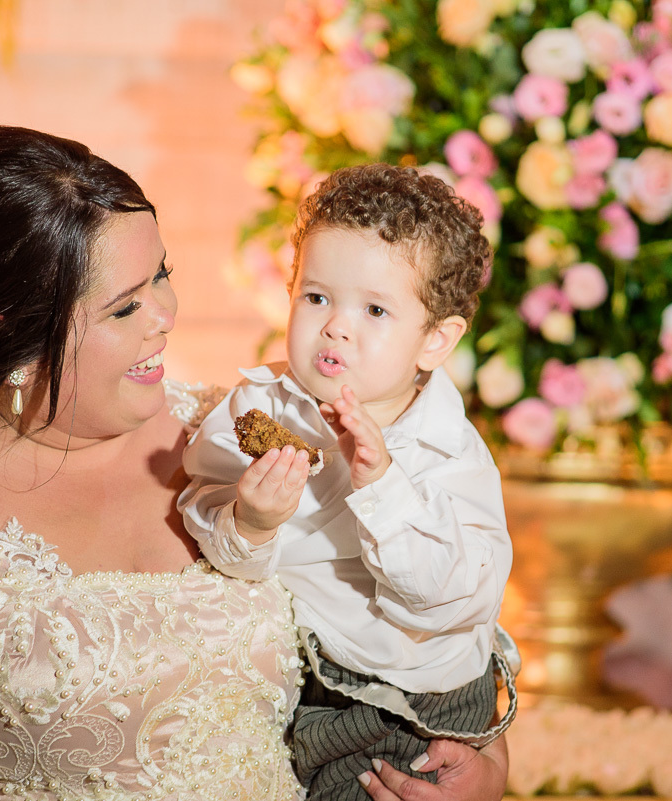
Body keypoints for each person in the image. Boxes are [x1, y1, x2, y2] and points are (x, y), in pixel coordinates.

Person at [0, 126, 510, 801]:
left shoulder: (246, 429)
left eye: (162, 274)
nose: (167, 314)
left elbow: (424, 609)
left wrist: (484, 758)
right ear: (5, 338)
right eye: (124, 307)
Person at [178, 164, 516, 801]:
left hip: (415, 703)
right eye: (316, 297)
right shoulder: (261, 406)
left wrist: (382, 486)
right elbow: (204, 507)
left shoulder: (446, 448)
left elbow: (456, 600)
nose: (336, 326)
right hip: (310, 681)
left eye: (376, 309)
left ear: (435, 341)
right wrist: (249, 524)